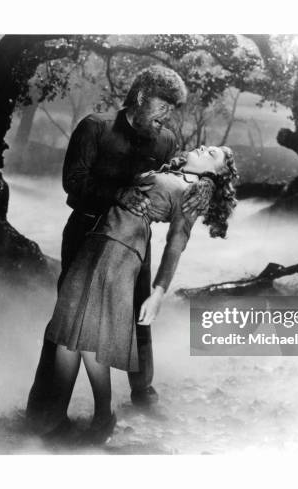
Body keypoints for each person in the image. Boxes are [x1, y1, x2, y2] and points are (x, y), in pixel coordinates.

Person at [25, 66, 215, 428]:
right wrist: (119, 194)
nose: (167, 115)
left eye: (173, 109)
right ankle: (46, 411)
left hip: (132, 242)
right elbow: (73, 181)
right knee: (69, 319)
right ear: (141, 97)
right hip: (84, 232)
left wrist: (201, 188)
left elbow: (171, 185)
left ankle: (143, 393)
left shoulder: (165, 141)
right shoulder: (94, 126)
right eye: (163, 106)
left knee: (137, 316)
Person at [42, 145, 238, 444]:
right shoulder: (171, 171)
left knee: (88, 338)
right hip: (96, 239)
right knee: (67, 334)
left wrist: (158, 293)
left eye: (211, 155)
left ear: (213, 174)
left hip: (122, 250)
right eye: (207, 145)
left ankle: (103, 416)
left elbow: (176, 244)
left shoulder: (193, 191)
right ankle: (57, 421)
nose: (203, 147)